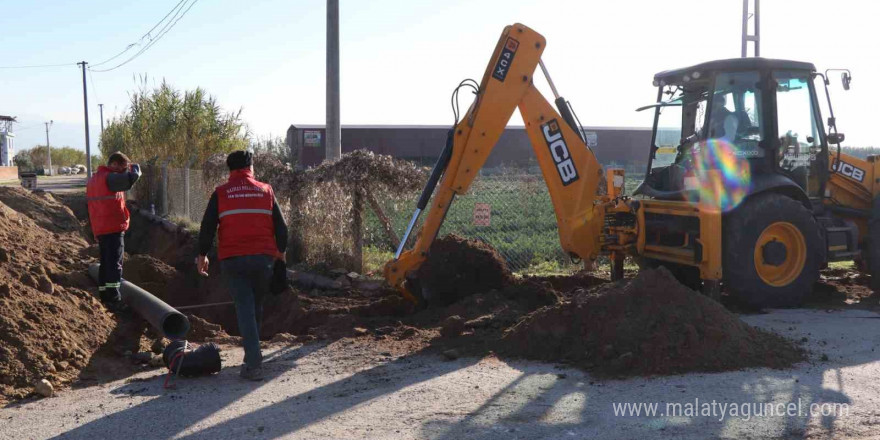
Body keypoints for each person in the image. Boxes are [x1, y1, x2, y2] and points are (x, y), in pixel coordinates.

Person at [196, 150, 288, 381]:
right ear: (250, 167)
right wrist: (281, 253)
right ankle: (253, 356)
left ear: (230, 169)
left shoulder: (221, 193)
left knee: (245, 308)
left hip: (233, 259)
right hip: (263, 258)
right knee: (255, 306)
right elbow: (282, 227)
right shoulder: (266, 190)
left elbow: (207, 226)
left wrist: (202, 254)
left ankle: (254, 362)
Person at [86, 152, 141, 307]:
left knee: (106, 263)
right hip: (112, 227)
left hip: (101, 228)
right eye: (122, 168)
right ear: (115, 164)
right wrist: (135, 169)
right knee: (115, 264)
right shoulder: (110, 177)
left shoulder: (95, 179)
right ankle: (114, 299)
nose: (123, 171)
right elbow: (131, 179)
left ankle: (104, 294)